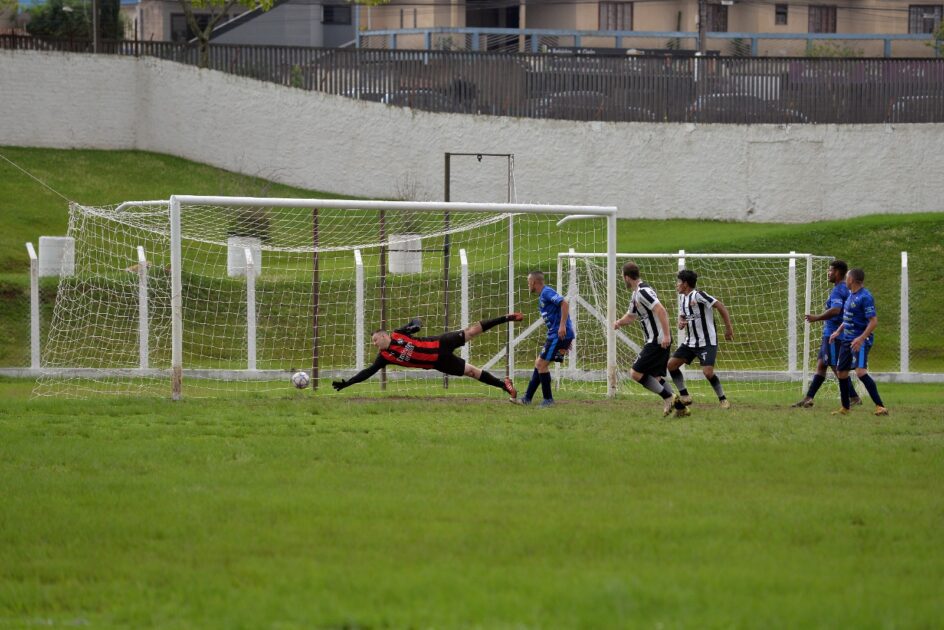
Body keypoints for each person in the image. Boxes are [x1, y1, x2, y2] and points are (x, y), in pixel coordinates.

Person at [331, 314, 522, 397]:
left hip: (440, 342)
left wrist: (415, 325)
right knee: (472, 372)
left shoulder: (398, 333)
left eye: (375, 340)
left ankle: (506, 318)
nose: (374, 344)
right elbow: (368, 372)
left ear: (383, 336)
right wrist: (347, 383)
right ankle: (504, 386)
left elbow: (416, 321)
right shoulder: (385, 357)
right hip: (440, 362)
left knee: (471, 331)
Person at [613, 261, 689, 417]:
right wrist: (619, 323)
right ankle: (681, 408)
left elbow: (661, 310)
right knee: (655, 377)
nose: (623, 280)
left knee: (635, 373)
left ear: (627, 277)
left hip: (658, 340)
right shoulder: (636, 294)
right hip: (656, 340)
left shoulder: (643, 292)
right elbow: (631, 316)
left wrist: (667, 335)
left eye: (622, 277)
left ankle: (668, 397)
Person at [793, 259, 861, 408]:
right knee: (822, 365)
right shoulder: (845, 288)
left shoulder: (838, 290)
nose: (828, 273)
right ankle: (809, 398)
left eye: (830, 270)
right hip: (835, 334)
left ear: (837, 272)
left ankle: (854, 397)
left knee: (836, 368)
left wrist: (816, 317)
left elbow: (836, 310)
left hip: (834, 336)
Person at [666, 269, 734, 409]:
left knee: (707, 372)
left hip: (707, 342)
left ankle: (723, 399)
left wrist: (729, 328)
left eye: (678, 282)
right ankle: (685, 395)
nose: (676, 285)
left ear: (685, 284)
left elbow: (720, 305)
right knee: (671, 365)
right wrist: (681, 322)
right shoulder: (682, 298)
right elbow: (682, 315)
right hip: (690, 342)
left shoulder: (699, 295)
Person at [828, 268, 888, 416]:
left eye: (847, 277)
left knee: (861, 372)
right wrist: (838, 331)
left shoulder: (865, 297)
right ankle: (845, 408)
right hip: (846, 340)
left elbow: (873, 322)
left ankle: (880, 406)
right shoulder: (850, 295)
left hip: (860, 340)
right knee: (841, 372)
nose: (845, 280)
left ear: (852, 280)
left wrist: (861, 338)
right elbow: (848, 317)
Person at [512, 270, 574, 407]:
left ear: (534, 282)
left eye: (529, 283)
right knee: (539, 363)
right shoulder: (543, 296)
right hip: (559, 336)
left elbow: (564, 303)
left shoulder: (546, 292)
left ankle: (548, 400)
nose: (528, 285)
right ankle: (527, 399)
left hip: (558, 335)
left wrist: (563, 327)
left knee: (541, 364)